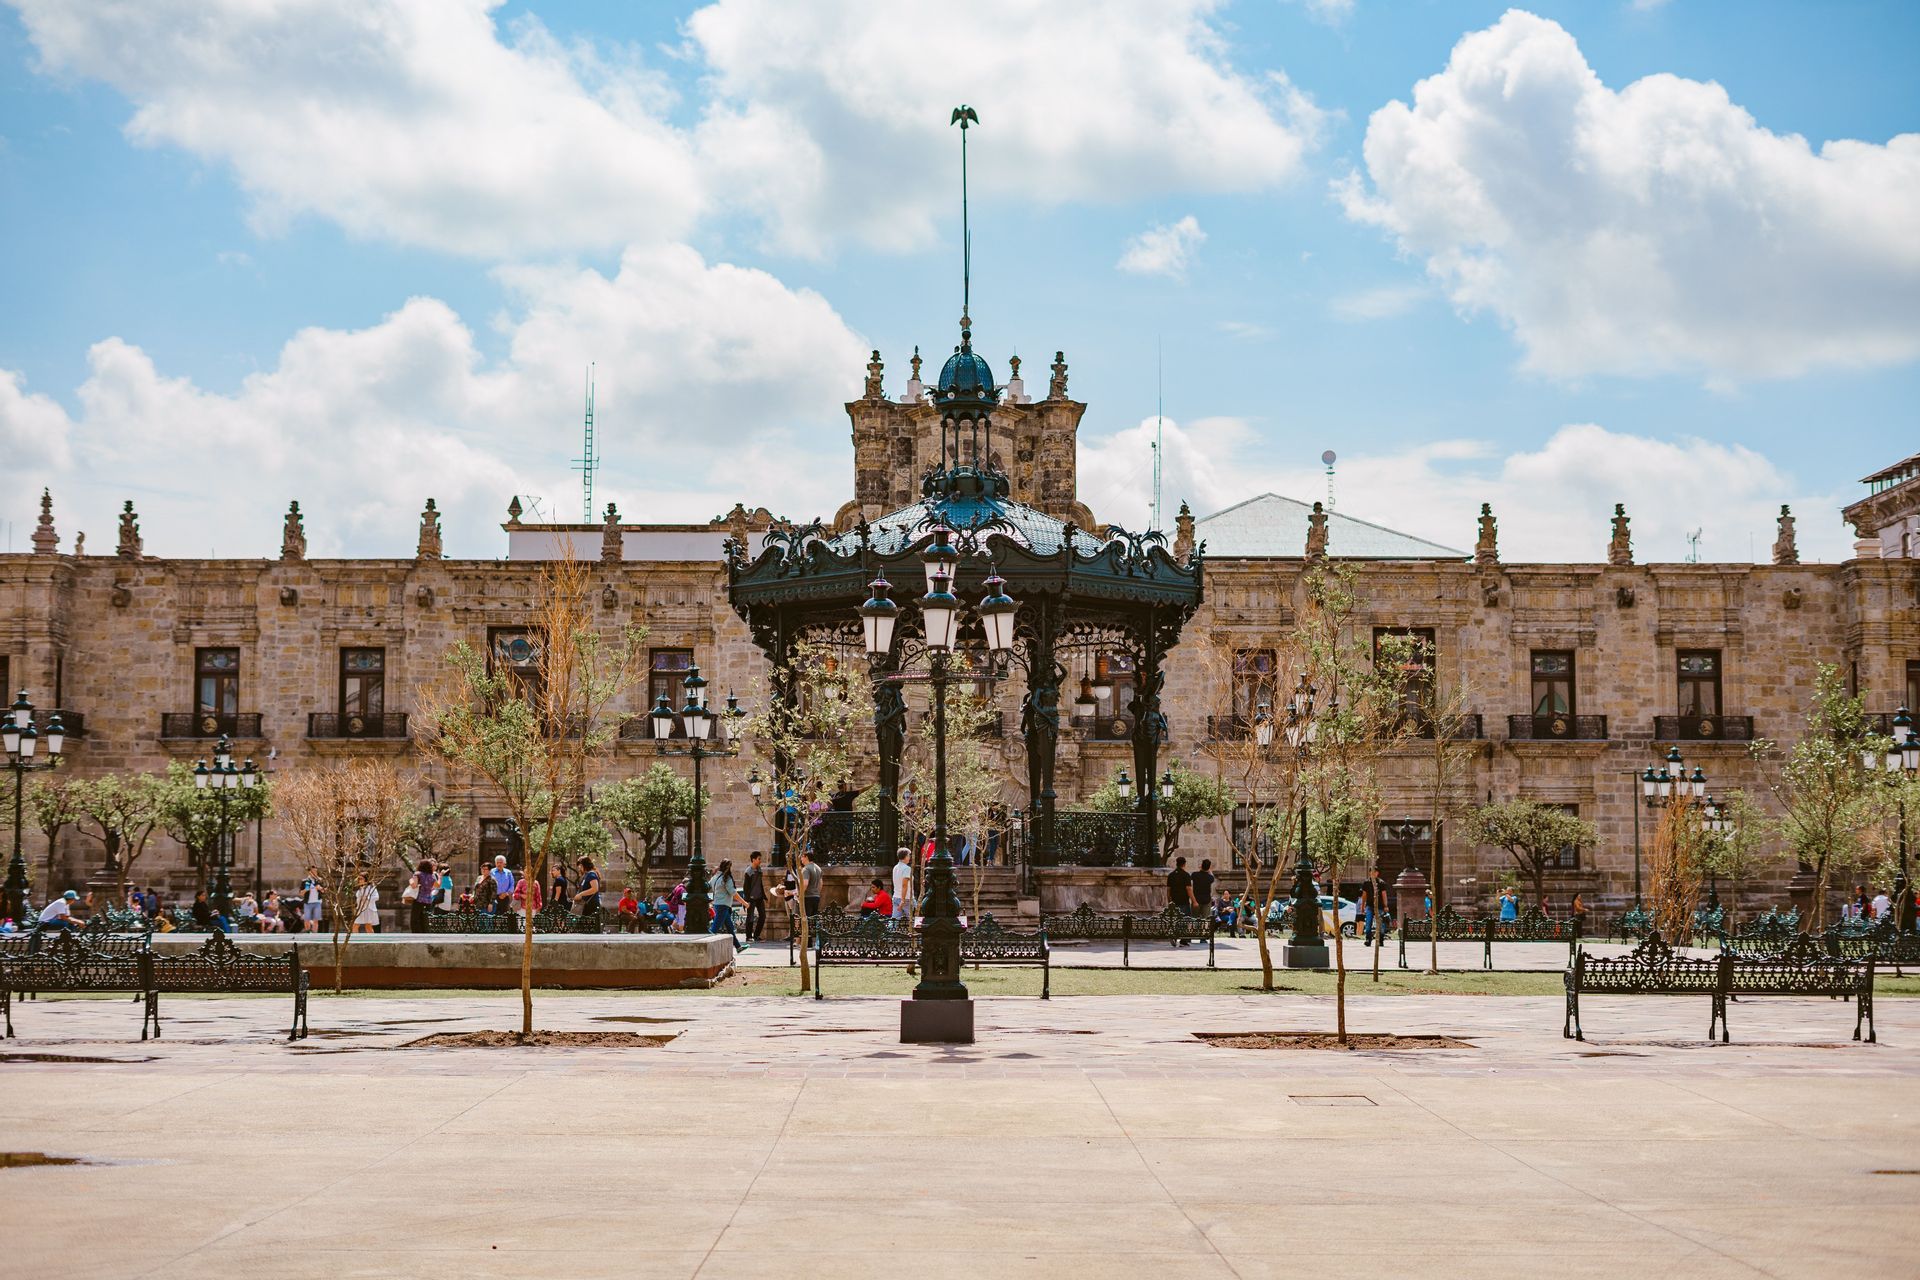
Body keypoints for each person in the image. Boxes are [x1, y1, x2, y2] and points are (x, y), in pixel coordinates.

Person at [709, 859, 745, 949]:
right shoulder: (726, 878)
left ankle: (738, 947)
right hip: (723, 906)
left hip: (717, 904)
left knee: (730, 928)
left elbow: (708, 886)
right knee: (715, 928)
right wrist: (744, 903)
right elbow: (733, 893)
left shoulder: (715, 877)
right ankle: (704, 944)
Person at [1167, 857, 1195, 945]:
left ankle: (1174, 936)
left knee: (1175, 920)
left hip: (1174, 901)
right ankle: (1183, 940)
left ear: (1177, 863)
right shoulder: (1186, 875)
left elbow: (1168, 890)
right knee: (1185, 920)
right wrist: (1194, 901)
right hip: (1184, 901)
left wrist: (1169, 900)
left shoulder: (1171, 875)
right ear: (1184, 864)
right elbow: (1189, 889)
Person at [743, 852, 768, 943]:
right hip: (751, 898)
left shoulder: (759, 870)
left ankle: (756, 935)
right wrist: (746, 900)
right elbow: (746, 887)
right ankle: (748, 937)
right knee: (750, 917)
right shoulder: (748, 872)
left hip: (759, 897)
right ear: (753, 859)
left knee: (763, 916)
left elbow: (760, 884)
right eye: (759, 859)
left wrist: (764, 896)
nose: (760, 861)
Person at [573, 856, 602, 921]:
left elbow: (595, 889)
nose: (579, 868)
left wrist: (581, 894)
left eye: (580, 866)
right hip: (586, 906)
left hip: (591, 906)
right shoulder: (587, 875)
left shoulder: (591, 875)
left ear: (583, 865)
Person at [798, 849, 823, 922]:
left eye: (802, 857)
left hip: (807, 897)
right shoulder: (818, 868)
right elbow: (821, 883)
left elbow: (805, 883)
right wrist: (816, 893)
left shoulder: (806, 869)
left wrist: (800, 895)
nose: (801, 859)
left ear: (806, 857)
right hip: (816, 897)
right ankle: (813, 934)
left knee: (806, 921)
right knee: (813, 921)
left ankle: (806, 934)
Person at [891, 848, 914, 922]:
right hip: (906, 898)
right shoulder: (907, 868)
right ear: (906, 856)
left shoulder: (895, 867)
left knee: (894, 921)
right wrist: (903, 900)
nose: (909, 857)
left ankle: (890, 933)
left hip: (896, 897)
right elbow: (904, 885)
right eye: (909, 856)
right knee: (915, 919)